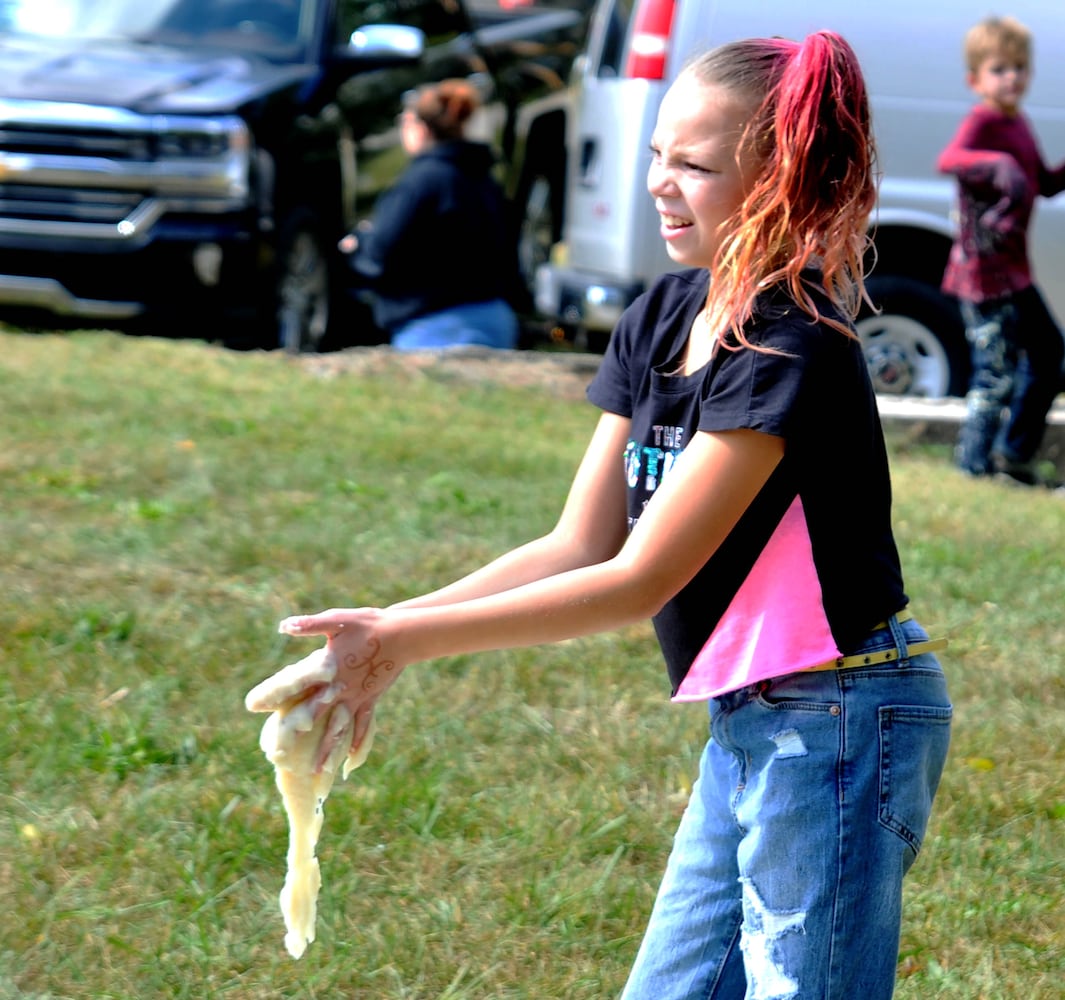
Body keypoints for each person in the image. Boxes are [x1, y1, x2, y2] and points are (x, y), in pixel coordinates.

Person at [268, 32, 952, 998]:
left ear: (781, 179)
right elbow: (578, 542)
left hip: (846, 715)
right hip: (756, 717)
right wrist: (386, 627)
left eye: (696, 166)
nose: (661, 186)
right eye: (656, 158)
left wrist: (404, 643)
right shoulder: (662, 316)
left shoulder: (794, 346)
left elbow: (640, 578)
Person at [937, 15, 1065, 485]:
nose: (1011, 77)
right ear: (976, 80)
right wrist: (997, 163)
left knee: (1050, 356)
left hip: (1016, 273)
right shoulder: (983, 120)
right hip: (983, 275)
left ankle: (1014, 456)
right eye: (998, 69)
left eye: (1019, 67)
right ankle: (972, 468)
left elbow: (1044, 185)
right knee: (995, 374)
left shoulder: (1019, 122)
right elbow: (950, 159)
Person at [340, 78, 520, 351]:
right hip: (497, 319)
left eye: (404, 120)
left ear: (420, 128)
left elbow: (381, 254)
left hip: (436, 327)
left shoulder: (421, 182)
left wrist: (359, 244)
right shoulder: (482, 177)